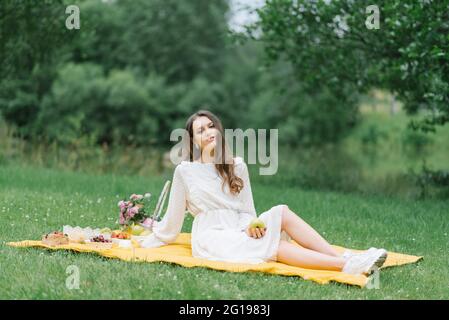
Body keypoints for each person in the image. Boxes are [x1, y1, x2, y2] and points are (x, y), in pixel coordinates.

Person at [141, 110, 387, 275]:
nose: (208, 132)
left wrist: (253, 226)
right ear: (194, 141)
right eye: (200, 131)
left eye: (211, 126)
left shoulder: (236, 165)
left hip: (239, 226)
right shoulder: (185, 171)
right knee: (273, 246)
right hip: (213, 236)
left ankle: (342, 255)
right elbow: (172, 223)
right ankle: (346, 266)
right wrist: (151, 232)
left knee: (282, 212)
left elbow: (248, 211)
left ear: (218, 129)